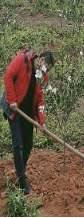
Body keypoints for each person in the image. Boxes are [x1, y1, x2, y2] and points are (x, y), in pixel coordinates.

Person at [1, 49, 55, 194]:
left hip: (27, 113)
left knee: (29, 144)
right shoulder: (22, 59)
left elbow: (40, 101)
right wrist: (12, 101)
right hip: (14, 109)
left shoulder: (42, 77)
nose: (45, 72)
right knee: (18, 144)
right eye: (46, 68)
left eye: (47, 71)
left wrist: (42, 121)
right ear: (41, 60)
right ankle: (22, 180)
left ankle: (20, 171)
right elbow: (8, 77)